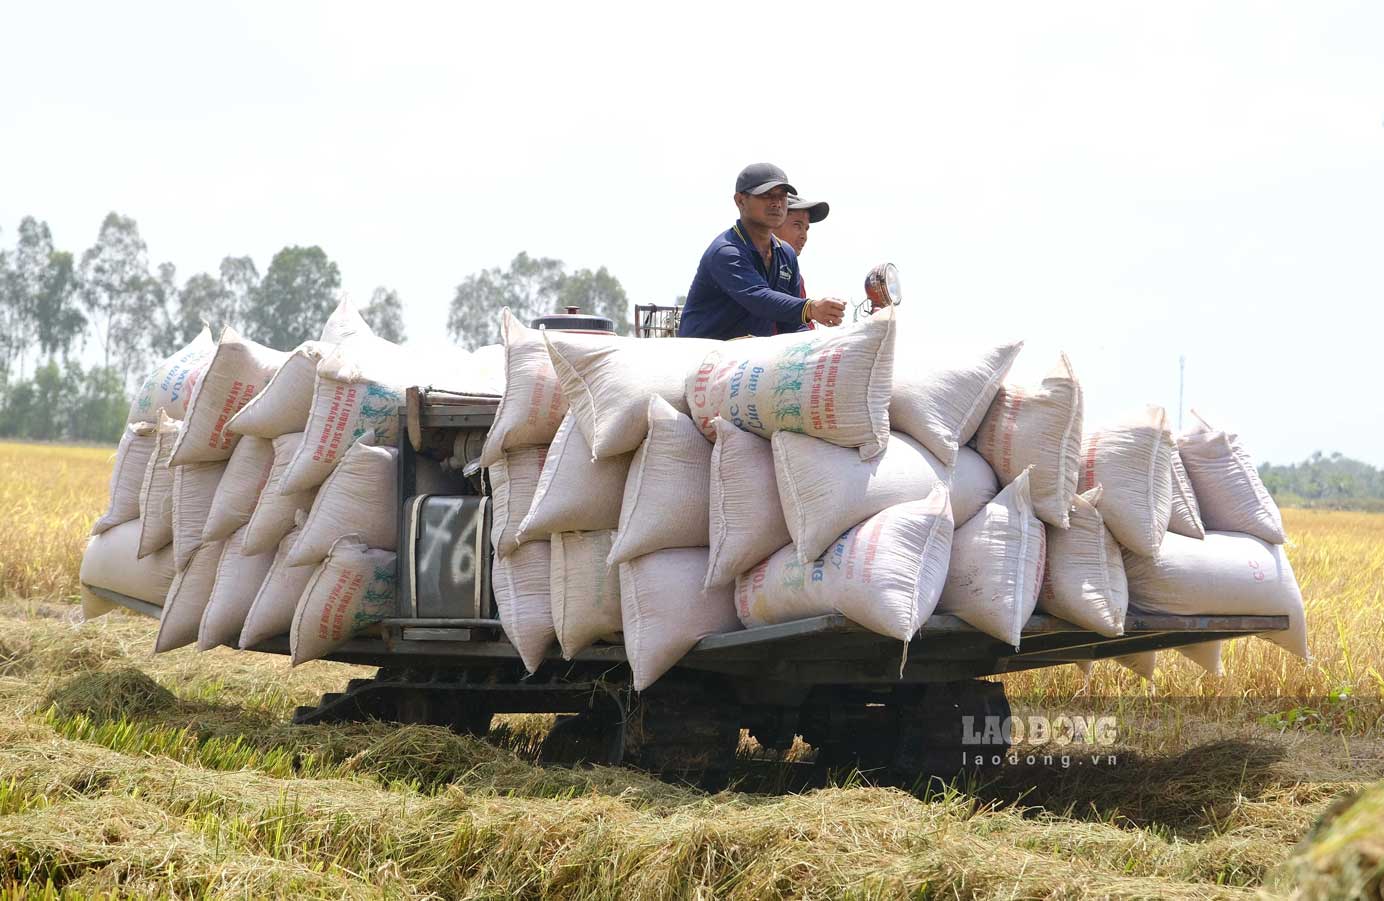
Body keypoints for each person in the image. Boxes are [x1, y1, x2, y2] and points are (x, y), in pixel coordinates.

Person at [677, 163, 846, 339]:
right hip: (707, 358)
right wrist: (810, 308)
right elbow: (759, 298)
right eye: (766, 195)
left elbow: (792, 326)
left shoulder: (785, 254)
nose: (776, 203)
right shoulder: (727, 252)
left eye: (782, 196)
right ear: (740, 201)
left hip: (749, 360)